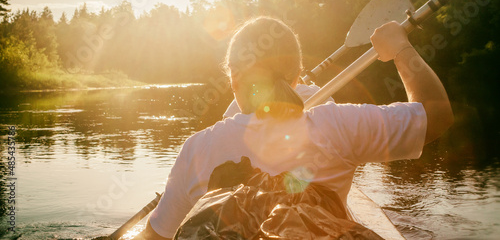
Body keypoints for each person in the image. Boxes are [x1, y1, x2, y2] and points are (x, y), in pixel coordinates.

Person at [136, 17, 454, 239]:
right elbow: (436, 115)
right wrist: (400, 48)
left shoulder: (198, 148)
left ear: (233, 76)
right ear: (297, 76)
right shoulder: (337, 125)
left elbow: (158, 236)